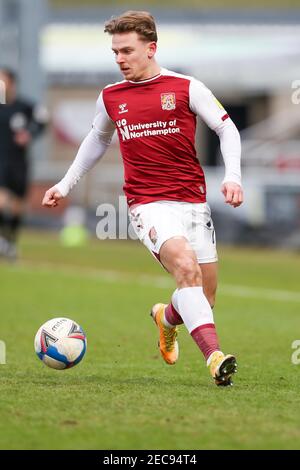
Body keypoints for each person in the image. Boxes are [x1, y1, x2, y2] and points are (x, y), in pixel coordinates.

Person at [42, 11, 243, 386]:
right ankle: (215, 358)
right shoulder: (111, 96)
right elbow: (97, 139)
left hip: (193, 203)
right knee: (186, 268)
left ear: (151, 49)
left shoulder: (186, 87)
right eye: (115, 52)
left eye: (127, 51)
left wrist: (232, 177)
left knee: (205, 296)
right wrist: (66, 184)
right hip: (148, 204)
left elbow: (226, 128)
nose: (120, 59)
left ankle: (166, 317)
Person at [0, 68, 48, 259]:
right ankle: (2, 240)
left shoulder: (25, 107)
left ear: (11, 83)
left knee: (18, 206)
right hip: (0, 161)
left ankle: (10, 242)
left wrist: (30, 133)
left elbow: (42, 120)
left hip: (19, 163)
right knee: (2, 201)